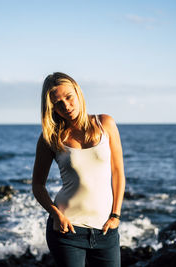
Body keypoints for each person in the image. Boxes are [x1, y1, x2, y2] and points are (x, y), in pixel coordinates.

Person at [32, 72, 126, 267]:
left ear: (78, 93)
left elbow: (117, 172)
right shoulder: (50, 137)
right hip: (67, 230)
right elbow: (38, 185)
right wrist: (56, 214)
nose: (66, 106)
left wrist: (115, 215)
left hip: (106, 230)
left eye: (68, 97)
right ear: (51, 108)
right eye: (58, 103)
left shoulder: (105, 124)